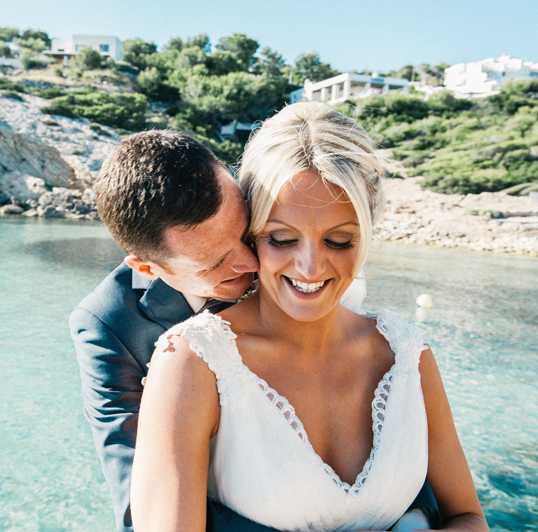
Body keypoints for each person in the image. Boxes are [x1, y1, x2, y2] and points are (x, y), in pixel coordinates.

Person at [130, 104, 488, 531]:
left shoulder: (407, 352)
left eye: (339, 241)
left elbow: (469, 518)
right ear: (249, 231)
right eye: (282, 239)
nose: (311, 267)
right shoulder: (193, 362)